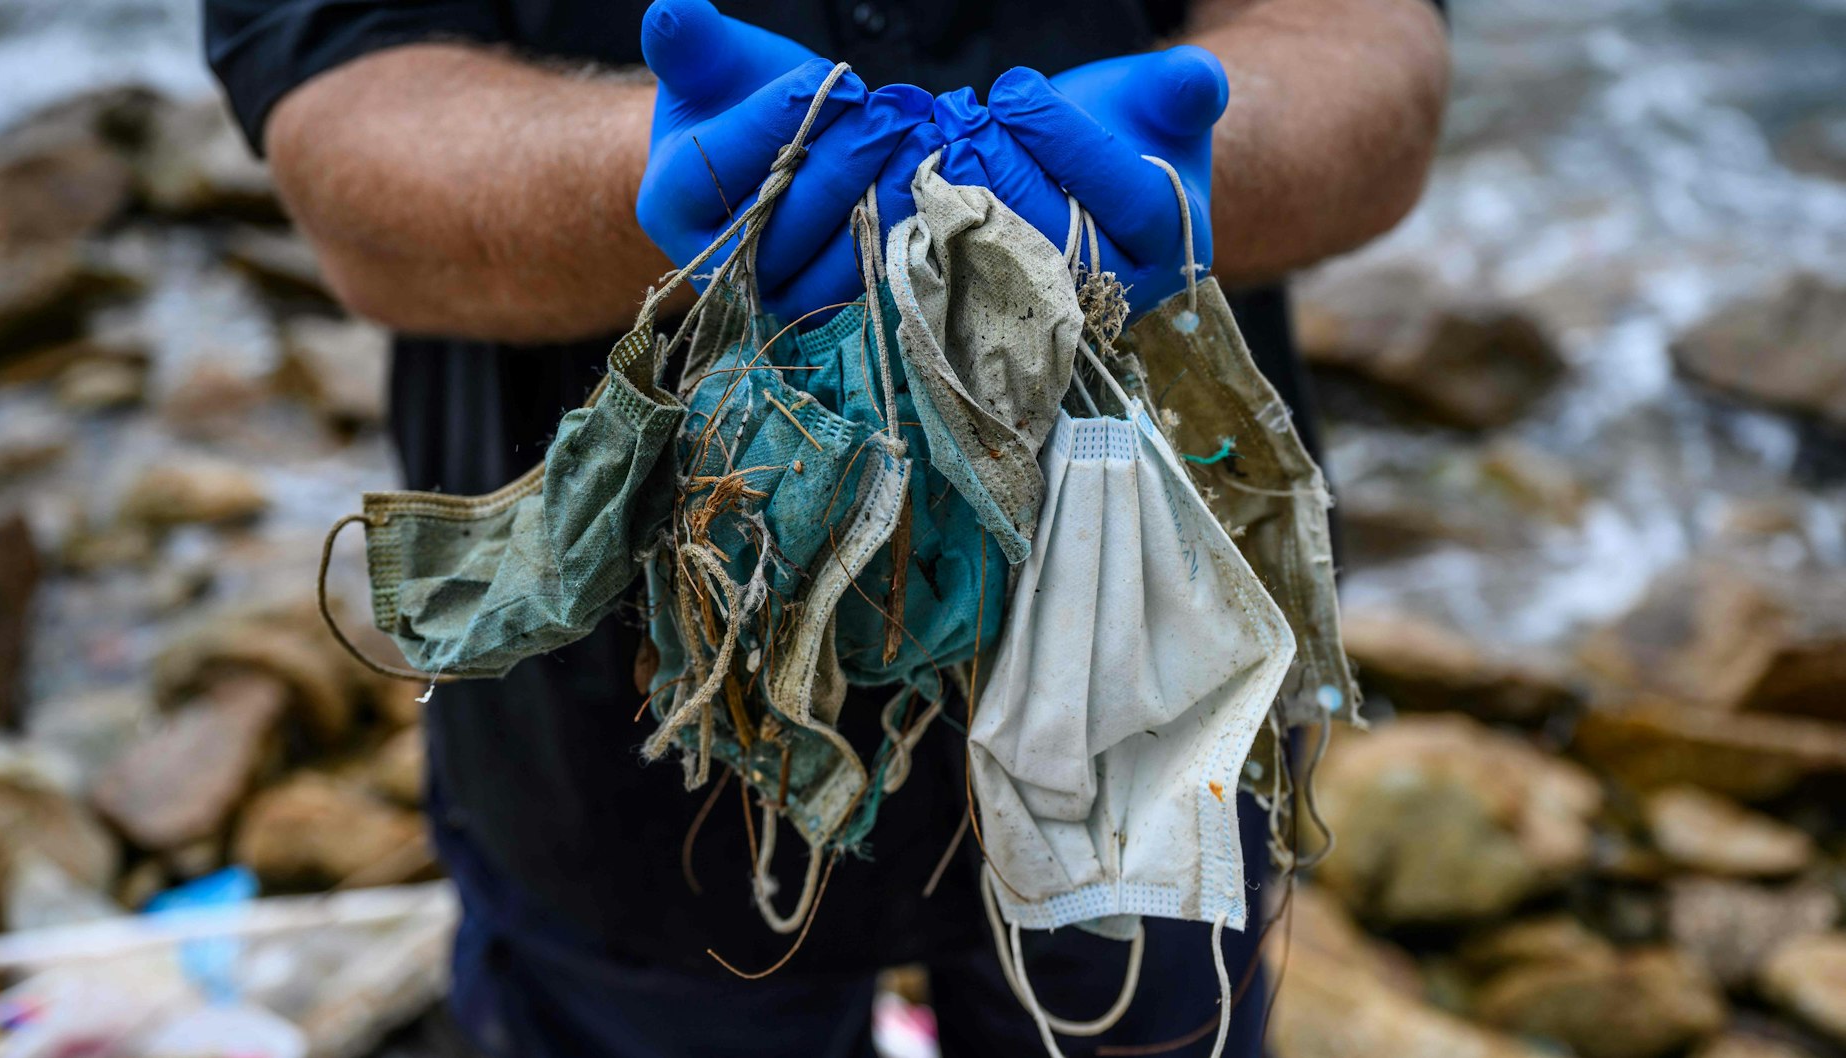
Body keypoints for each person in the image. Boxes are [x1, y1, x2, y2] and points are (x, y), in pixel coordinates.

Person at [203, 1, 1447, 1054]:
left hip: (1146, 656)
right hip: (629, 721)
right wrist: (632, 180)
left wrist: (1214, 154)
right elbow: (340, 104)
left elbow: (1365, 44)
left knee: (1149, 1001)